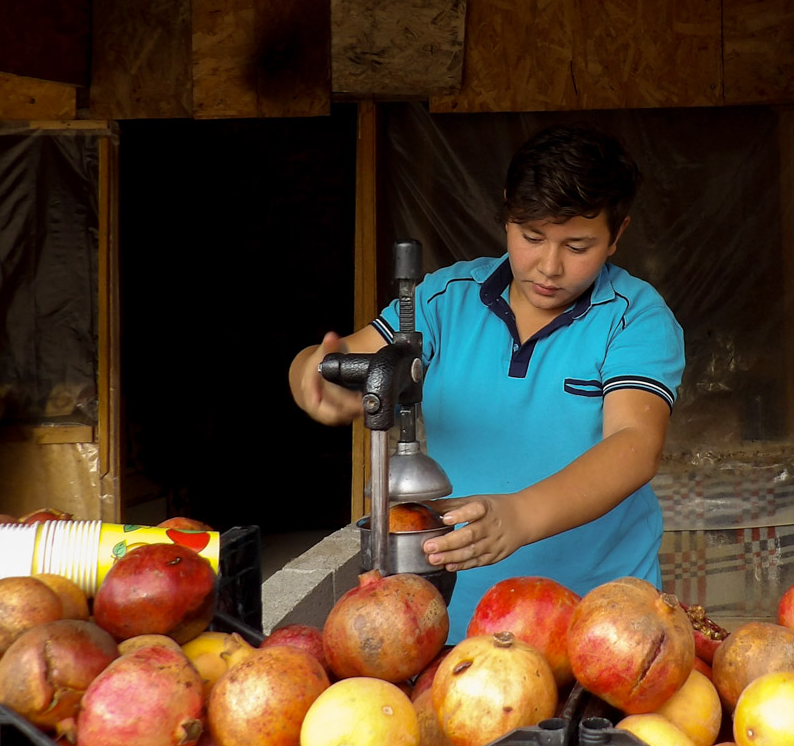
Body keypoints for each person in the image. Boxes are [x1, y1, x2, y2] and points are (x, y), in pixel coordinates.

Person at [288, 124, 685, 639]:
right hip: (451, 620)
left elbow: (634, 444)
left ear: (617, 235)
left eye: (578, 245)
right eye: (532, 237)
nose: (549, 265)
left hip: (600, 626)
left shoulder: (635, 318)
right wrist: (314, 381)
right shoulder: (442, 301)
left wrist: (520, 516)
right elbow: (337, 363)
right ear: (506, 214)